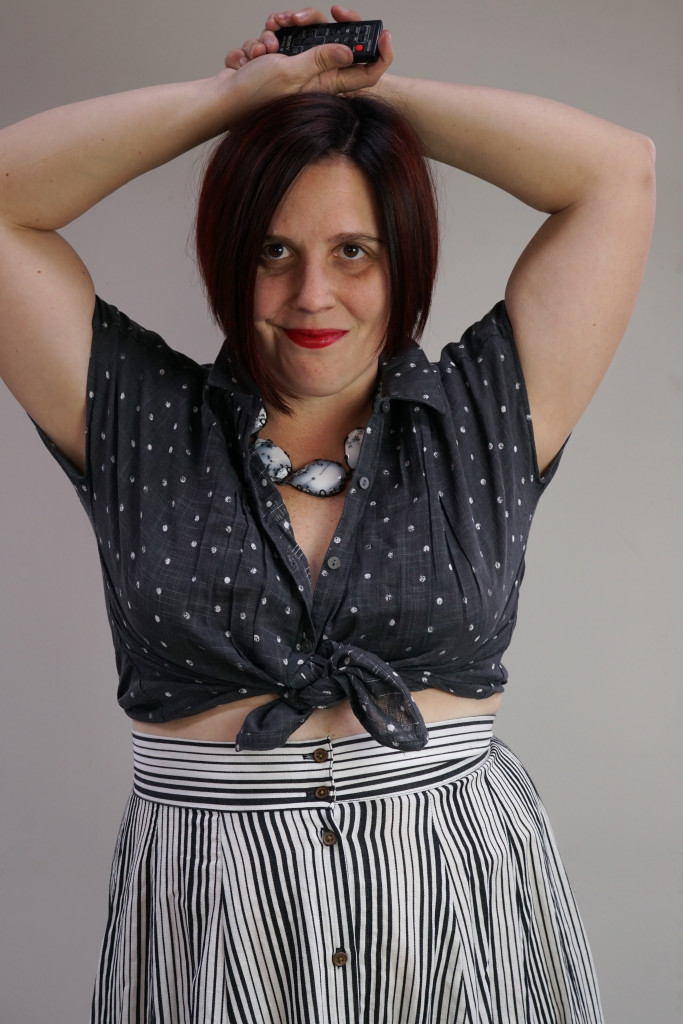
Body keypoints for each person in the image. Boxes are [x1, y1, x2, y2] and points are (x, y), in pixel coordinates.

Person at [0, 5, 655, 1022]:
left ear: (403, 261)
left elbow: (616, 172)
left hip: (457, 924)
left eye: (354, 251)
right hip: (210, 934)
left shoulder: (482, 414)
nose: (313, 294)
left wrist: (362, 95)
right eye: (272, 251)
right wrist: (238, 101)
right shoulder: (137, 419)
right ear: (230, 257)